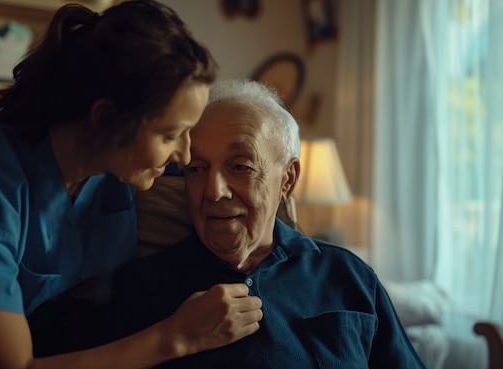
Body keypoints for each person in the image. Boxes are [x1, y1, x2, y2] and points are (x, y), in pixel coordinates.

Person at [0, 0, 263, 369]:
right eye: (169, 135)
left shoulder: (115, 164)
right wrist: (179, 337)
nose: (183, 155)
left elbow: (225, 181)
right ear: (105, 118)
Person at [107, 78, 427, 368]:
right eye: (197, 169)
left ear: (287, 180)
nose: (214, 192)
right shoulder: (142, 288)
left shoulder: (349, 276)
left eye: (240, 166)